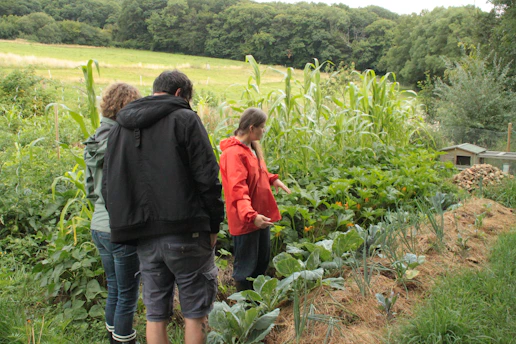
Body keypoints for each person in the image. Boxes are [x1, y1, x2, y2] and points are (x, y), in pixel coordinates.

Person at [102, 70, 224, 344]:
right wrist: (214, 224)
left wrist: (130, 225)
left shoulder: (120, 127)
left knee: (155, 315)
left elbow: (108, 187)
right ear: (180, 93)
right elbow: (207, 177)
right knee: (196, 312)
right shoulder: (185, 118)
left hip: (144, 238)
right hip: (187, 232)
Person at [84, 83, 142, 344]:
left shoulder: (96, 137)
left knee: (114, 289)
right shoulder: (122, 139)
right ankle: (122, 340)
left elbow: (90, 188)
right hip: (120, 227)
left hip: (98, 225)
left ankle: (111, 334)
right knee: (128, 294)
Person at [219, 107, 291, 291]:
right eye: (262, 126)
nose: (264, 130)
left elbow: (257, 173)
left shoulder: (250, 148)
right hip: (247, 220)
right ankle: (245, 310)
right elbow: (238, 189)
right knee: (246, 269)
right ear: (252, 128)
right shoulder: (233, 154)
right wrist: (251, 216)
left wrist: (272, 179)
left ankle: (258, 306)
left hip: (260, 217)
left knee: (260, 263)